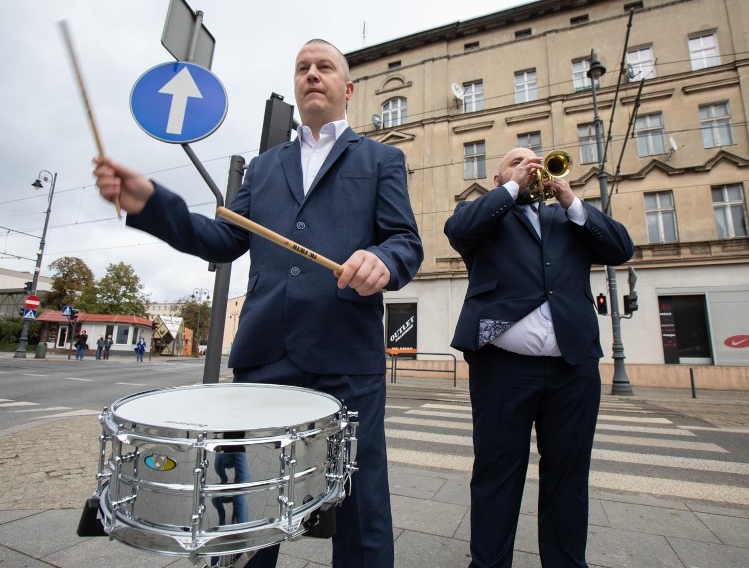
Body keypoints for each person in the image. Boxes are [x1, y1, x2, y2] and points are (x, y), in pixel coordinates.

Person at [93, 38, 423, 568]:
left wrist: (384, 261)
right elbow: (224, 240)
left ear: (348, 88)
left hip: (346, 358)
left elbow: (406, 241)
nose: (312, 74)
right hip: (265, 355)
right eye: (302, 68)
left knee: (360, 502)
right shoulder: (266, 166)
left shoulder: (382, 158)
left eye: (324, 67)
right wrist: (153, 204)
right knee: (243, 507)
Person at [444, 147, 634, 568]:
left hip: (573, 368)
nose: (530, 167)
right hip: (502, 368)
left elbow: (622, 248)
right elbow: (458, 227)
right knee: (497, 475)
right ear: (497, 180)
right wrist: (514, 187)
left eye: (535, 161)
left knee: (568, 477)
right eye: (516, 162)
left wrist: (570, 199)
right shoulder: (485, 216)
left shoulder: (568, 217)